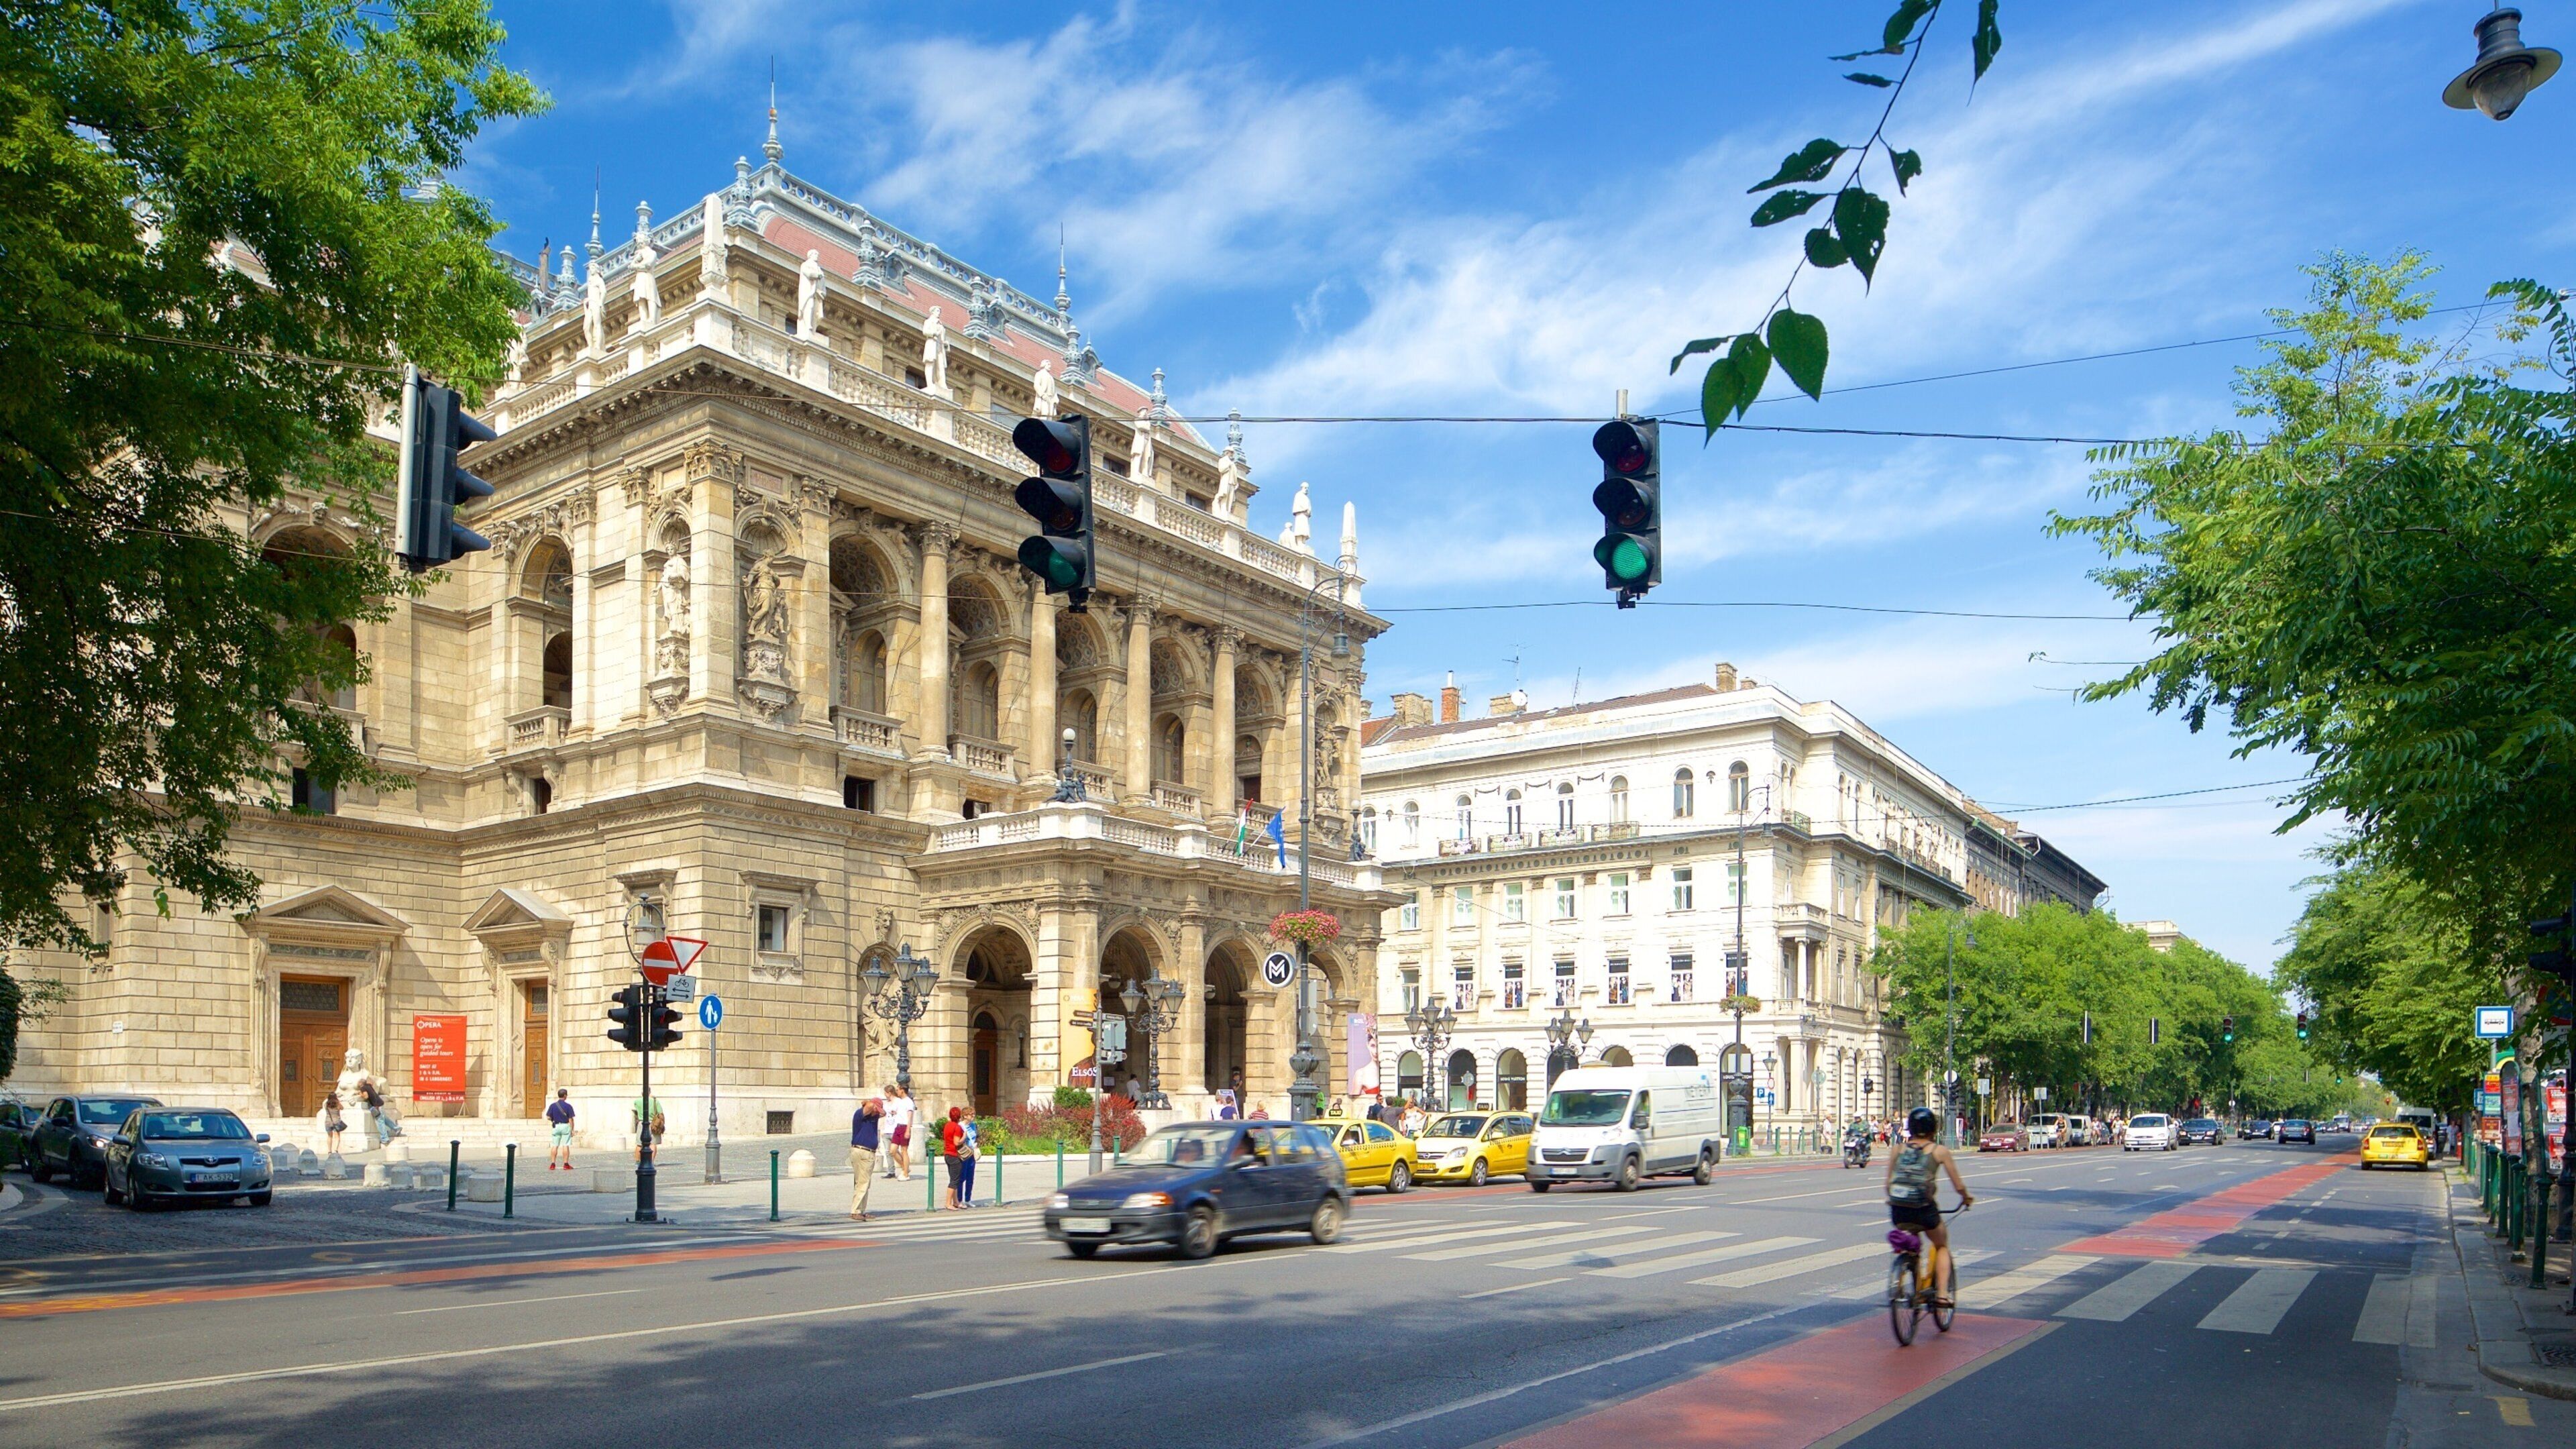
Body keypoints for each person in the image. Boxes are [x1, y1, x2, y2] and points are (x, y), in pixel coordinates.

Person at [1885, 1106, 1974, 1307]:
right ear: (1934, 1129)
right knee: (1941, 1245)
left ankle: (1904, 1277)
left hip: (1899, 1211)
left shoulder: (1897, 1150)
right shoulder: (1939, 1151)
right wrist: (1966, 1198)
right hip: (1924, 1210)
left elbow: (1888, 1183)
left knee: (1913, 1238)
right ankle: (1942, 1295)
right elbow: (1958, 1186)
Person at [848, 1096, 883, 1220]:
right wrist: (870, 1104)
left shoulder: (874, 1117)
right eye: (876, 1109)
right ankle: (856, 1210)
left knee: (863, 1183)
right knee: (863, 1183)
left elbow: (883, 1113)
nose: (877, 1112)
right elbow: (868, 1106)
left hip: (866, 1152)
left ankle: (861, 1210)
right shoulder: (860, 1115)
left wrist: (877, 1109)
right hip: (862, 1152)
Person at [939, 1106, 967, 1210]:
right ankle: (948, 1203)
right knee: (955, 1180)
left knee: (953, 1179)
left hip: (947, 1154)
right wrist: (964, 1137)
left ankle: (955, 1201)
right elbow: (957, 1142)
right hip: (955, 1155)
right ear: (959, 1116)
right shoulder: (957, 1127)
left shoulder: (947, 1125)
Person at [883, 1085, 914, 1180]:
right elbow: (901, 1113)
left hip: (905, 1127)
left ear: (902, 1090)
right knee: (892, 1150)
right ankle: (905, 1168)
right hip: (898, 1127)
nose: (896, 1092)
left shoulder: (909, 1102)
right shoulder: (900, 1101)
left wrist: (908, 1130)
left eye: (898, 1090)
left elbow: (909, 1116)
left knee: (904, 1151)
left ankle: (906, 1174)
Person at [545, 1089, 576, 1171]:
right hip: (565, 1126)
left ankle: (553, 1164)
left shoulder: (553, 1105)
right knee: (565, 1145)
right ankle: (566, 1164)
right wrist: (572, 1129)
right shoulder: (568, 1106)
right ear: (565, 1096)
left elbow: (548, 1117)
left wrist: (553, 1120)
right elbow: (571, 1119)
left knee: (555, 1145)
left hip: (556, 1126)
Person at [956, 1114, 979, 1208]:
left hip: (972, 1152)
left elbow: (976, 1136)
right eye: (971, 1114)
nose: (973, 1116)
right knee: (962, 1177)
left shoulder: (973, 1125)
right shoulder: (960, 1126)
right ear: (965, 1116)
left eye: (974, 1114)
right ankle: (960, 1200)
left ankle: (968, 1199)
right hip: (964, 1152)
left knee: (970, 1177)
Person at [633, 1093, 665, 1161]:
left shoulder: (637, 1101)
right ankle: (651, 1161)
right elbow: (660, 1112)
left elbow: (636, 1109)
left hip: (641, 1123)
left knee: (639, 1144)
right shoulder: (654, 1101)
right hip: (653, 1124)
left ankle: (638, 1161)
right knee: (653, 1144)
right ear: (650, 1092)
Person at [323, 1090, 345, 1156]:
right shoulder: (337, 1103)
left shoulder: (326, 1104)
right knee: (337, 1136)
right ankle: (336, 1150)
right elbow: (342, 1108)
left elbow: (325, 1109)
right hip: (336, 1121)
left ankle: (329, 1151)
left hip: (328, 1121)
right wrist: (338, 1101)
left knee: (330, 1136)